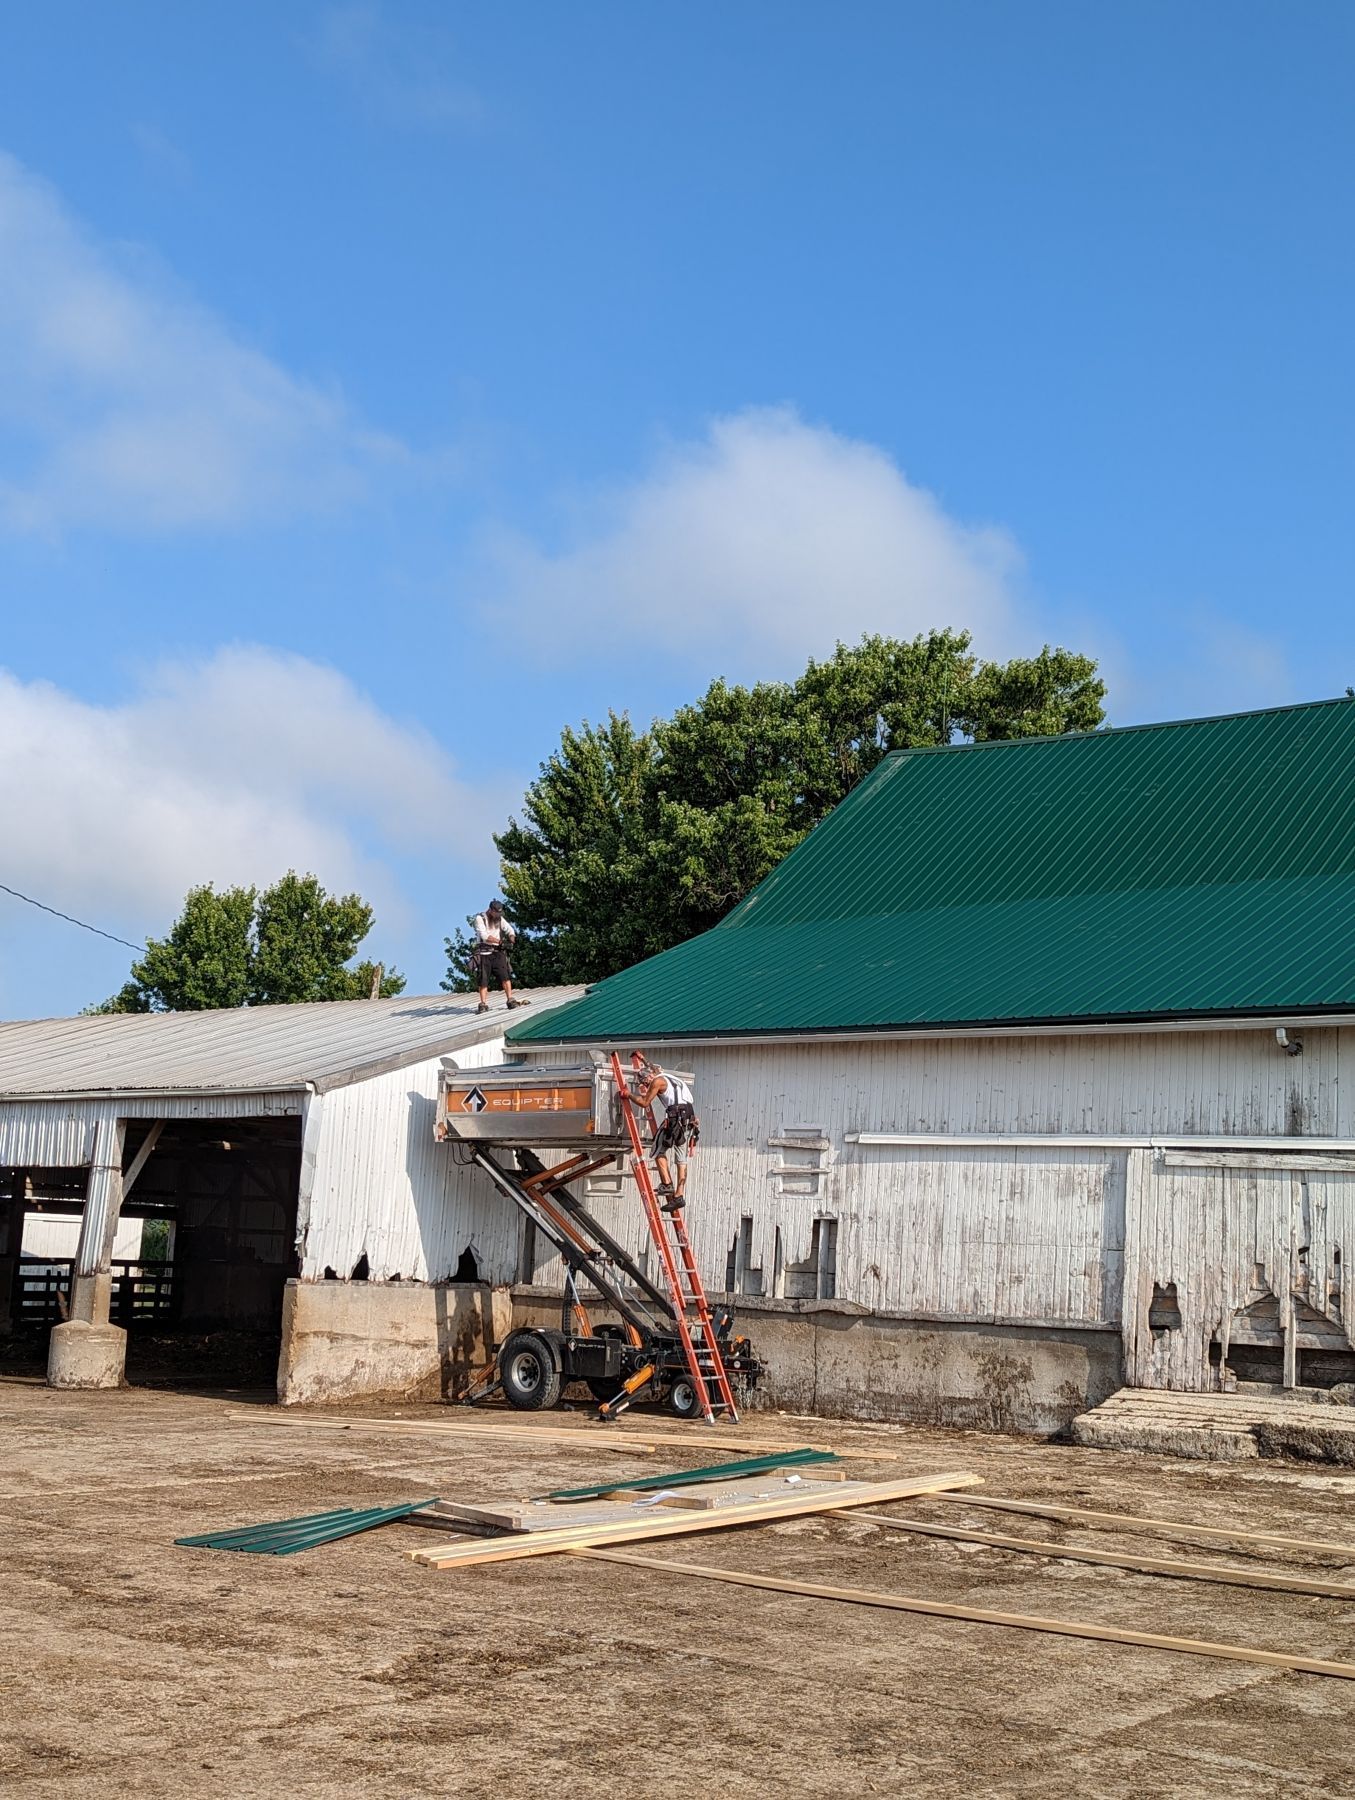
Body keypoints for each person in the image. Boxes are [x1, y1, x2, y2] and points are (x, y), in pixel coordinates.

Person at [632, 1059, 698, 1212]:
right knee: (681, 1159)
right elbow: (653, 1067)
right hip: (689, 1117)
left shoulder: (657, 1082)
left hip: (676, 1118)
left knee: (657, 1149)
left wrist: (628, 1095)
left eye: (644, 1083)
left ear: (649, 1077)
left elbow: (644, 1102)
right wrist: (642, 1059)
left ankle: (667, 1184)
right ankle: (679, 1196)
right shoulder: (669, 1076)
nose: (645, 1086)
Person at [471, 900, 529, 1014]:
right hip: (484, 953)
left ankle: (510, 999)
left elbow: (509, 929)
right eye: (496, 913)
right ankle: (483, 1003)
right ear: (491, 910)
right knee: (483, 980)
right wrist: (500, 942)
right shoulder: (480, 919)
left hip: (498, 953)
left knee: (505, 976)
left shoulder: (499, 919)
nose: (498, 915)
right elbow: (484, 936)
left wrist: (511, 939)